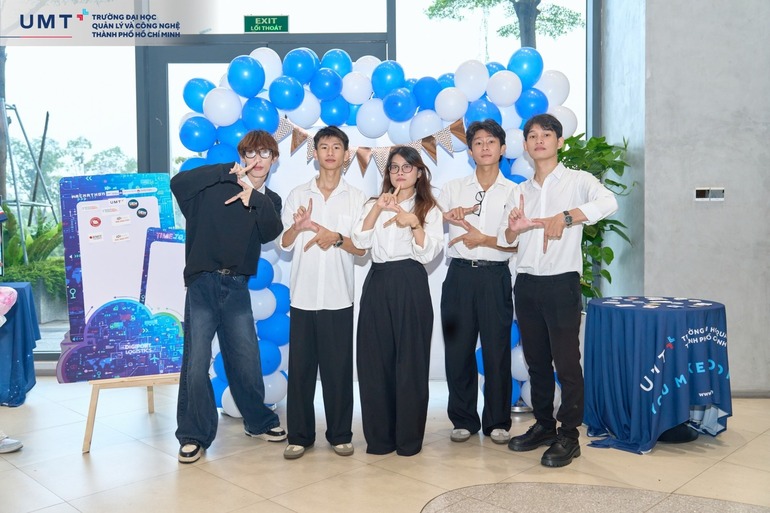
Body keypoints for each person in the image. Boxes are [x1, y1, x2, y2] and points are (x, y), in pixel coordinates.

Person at [500, 113, 618, 467]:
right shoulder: (519, 190)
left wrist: (565, 217)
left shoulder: (578, 181)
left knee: (566, 363)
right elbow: (507, 238)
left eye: (547, 134)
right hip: (526, 283)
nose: (539, 140)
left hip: (561, 282)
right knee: (536, 362)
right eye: (532, 135)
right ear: (525, 145)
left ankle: (569, 435)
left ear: (559, 142)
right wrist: (515, 227)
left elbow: (608, 202)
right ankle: (543, 426)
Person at [170, 130, 287, 464]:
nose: (258, 160)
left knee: (246, 360)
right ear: (241, 156)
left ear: (274, 159)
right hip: (202, 284)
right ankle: (193, 435)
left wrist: (254, 198)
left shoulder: (269, 201)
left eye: (265, 153)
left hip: (236, 287)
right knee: (196, 363)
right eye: (251, 153)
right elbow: (178, 183)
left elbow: (271, 231)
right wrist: (224, 172)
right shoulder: (215, 186)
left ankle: (258, 422)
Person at [279, 125, 366, 460]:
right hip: (302, 296)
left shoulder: (357, 198)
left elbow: (363, 249)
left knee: (339, 372)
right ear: (314, 153)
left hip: (338, 297)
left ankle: (340, 434)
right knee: (301, 372)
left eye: (336, 147)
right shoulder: (298, 195)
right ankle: (299, 436)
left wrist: (337, 238)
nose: (330, 152)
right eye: (324, 147)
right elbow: (284, 244)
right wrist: (297, 227)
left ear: (346, 155)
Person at [352, 146, 444, 456]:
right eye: (394, 167)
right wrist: (378, 209)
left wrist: (414, 223)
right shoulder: (372, 204)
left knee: (411, 362)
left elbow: (429, 254)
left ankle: (408, 440)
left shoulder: (429, 208)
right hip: (378, 280)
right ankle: (380, 439)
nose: (400, 173)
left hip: (410, 281)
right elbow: (359, 242)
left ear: (419, 173)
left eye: (407, 167)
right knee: (373, 362)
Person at [437, 119, 517, 445]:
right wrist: (445, 216)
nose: (485, 147)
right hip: (458, 276)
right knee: (458, 351)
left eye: (491, 142)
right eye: (478, 142)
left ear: (502, 148)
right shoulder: (453, 188)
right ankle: (463, 419)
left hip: (495, 277)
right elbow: (431, 224)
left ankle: (497, 421)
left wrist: (484, 238)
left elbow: (516, 243)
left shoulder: (514, 192)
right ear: (469, 151)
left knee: (497, 351)